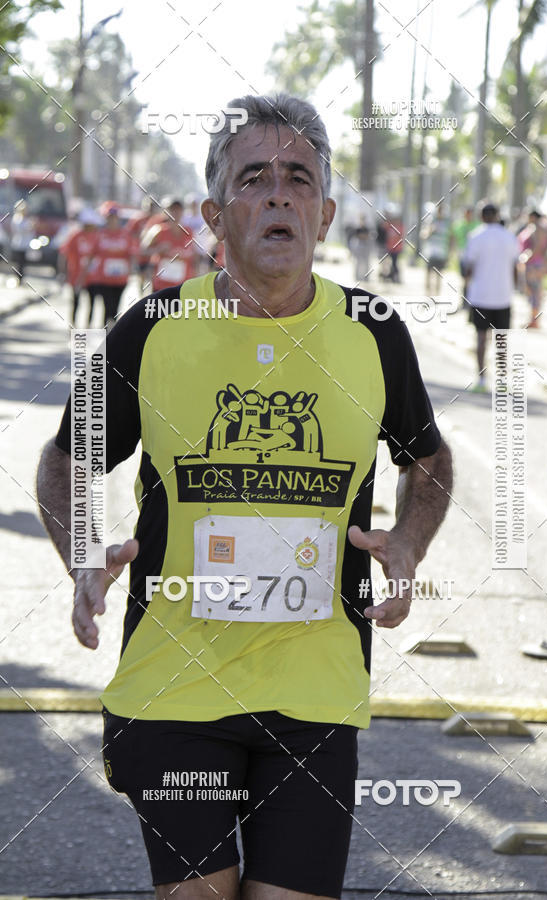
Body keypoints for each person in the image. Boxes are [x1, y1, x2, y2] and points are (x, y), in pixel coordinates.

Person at [36, 93, 453, 900]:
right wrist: (81, 554)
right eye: (253, 177)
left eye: (298, 178)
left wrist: (407, 542)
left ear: (325, 212)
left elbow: (427, 460)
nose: (278, 194)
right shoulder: (151, 329)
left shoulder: (372, 330)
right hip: (173, 688)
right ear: (214, 214)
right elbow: (64, 459)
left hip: (316, 692)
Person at [462, 202, 520, 391]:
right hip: (503, 295)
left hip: (480, 295)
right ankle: (502, 380)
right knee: (501, 339)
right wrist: (515, 289)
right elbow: (515, 266)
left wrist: (465, 288)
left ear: (481, 216)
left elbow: (468, 268)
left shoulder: (476, 236)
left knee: (480, 338)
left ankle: (481, 380)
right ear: (497, 215)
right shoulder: (509, 236)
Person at [86, 206, 138, 328]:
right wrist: (87, 272)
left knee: (115, 308)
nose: (112, 221)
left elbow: (132, 253)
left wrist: (132, 269)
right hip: (104, 278)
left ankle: (111, 330)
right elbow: (91, 255)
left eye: (114, 218)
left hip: (121, 278)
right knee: (107, 306)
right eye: (110, 218)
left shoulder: (126, 235)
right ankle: (105, 332)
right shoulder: (100, 234)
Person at [141, 198, 198, 292]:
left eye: (179, 210)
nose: (176, 213)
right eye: (173, 210)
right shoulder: (158, 230)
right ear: (167, 212)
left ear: (183, 212)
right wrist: (158, 250)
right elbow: (143, 250)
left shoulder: (189, 232)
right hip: (161, 285)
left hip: (182, 285)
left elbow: (195, 256)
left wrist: (195, 277)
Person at [58, 208, 102, 326]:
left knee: (92, 303)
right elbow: (64, 254)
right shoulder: (75, 235)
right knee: (76, 303)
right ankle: (73, 325)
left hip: (92, 278)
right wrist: (62, 273)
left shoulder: (97, 236)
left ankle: (88, 327)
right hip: (76, 277)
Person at [519, 209, 547, 328]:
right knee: (532, 292)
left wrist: (527, 258)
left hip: (534, 264)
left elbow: (538, 247)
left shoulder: (537, 229)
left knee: (534, 292)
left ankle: (534, 320)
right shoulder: (537, 228)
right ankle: (533, 319)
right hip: (535, 263)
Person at [423, 202, 451, 295]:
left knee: (439, 274)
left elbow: (451, 238)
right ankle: (428, 293)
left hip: (442, 252)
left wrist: (450, 252)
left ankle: (437, 294)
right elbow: (424, 234)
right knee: (428, 273)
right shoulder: (432, 220)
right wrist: (430, 230)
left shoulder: (447, 223)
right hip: (431, 251)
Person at [9, 200, 36, 285]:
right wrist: (30, 226)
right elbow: (21, 230)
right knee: (18, 263)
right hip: (18, 244)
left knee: (23, 263)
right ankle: (18, 278)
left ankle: (21, 278)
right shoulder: (17, 218)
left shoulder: (26, 219)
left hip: (25, 244)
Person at [349, 214, 373, 282]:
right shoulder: (357, 228)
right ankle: (357, 277)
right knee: (358, 262)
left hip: (366, 247)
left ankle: (366, 277)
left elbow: (367, 236)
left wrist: (363, 236)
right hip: (359, 247)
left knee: (366, 263)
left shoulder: (367, 228)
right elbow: (356, 237)